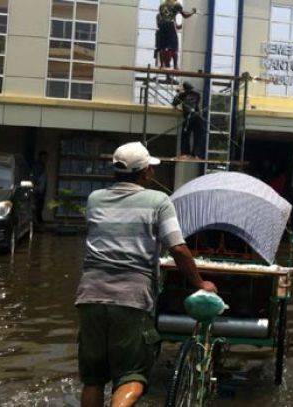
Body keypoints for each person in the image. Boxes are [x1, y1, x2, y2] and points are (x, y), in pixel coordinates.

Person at [75, 142, 216, 407]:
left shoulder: (94, 199)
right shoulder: (159, 201)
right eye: (150, 167)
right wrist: (200, 282)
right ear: (145, 173)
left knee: (93, 379)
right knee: (132, 377)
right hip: (131, 298)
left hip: (89, 295)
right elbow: (178, 248)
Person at [155, 0, 195, 70]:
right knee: (174, 47)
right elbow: (185, 15)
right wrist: (192, 12)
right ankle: (175, 66)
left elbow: (166, 17)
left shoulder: (161, 6)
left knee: (162, 47)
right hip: (170, 26)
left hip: (162, 26)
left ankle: (161, 65)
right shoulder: (176, 4)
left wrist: (177, 26)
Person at [172, 81, 205, 159]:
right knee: (198, 136)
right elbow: (195, 102)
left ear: (184, 88)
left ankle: (185, 153)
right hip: (197, 117)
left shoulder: (182, 95)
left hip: (188, 117)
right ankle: (195, 154)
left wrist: (178, 92)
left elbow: (174, 104)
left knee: (185, 135)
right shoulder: (197, 94)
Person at [31, 151, 48, 223]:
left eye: (46, 158)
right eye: (44, 157)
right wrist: (36, 188)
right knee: (37, 208)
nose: (46, 159)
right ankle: (38, 223)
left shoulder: (42, 166)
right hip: (37, 191)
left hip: (40, 191)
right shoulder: (38, 166)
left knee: (39, 208)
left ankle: (38, 223)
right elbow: (35, 179)